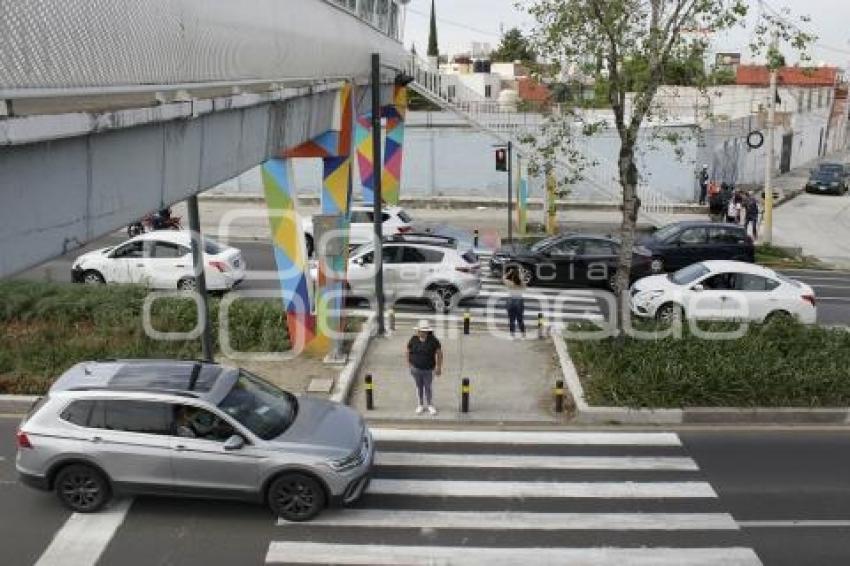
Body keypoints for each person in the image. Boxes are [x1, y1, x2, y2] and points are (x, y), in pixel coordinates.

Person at [406, 320, 442, 415]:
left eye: (423, 331)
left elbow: (439, 353)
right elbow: (408, 351)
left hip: (429, 369)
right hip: (416, 368)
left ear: (427, 332)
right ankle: (420, 405)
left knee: (428, 387)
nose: (421, 333)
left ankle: (430, 405)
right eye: (420, 331)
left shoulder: (433, 341)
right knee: (419, 387)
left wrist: (438, 367)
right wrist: (409, 365)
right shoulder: (413, 339)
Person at [503, 265, 526, 338]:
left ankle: (512, 334)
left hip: (511, 300)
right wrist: (521, 274)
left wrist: (509, 272)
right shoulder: (522, 284)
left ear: (512, 277)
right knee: (520, 318)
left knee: (511, 319)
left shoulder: (510, 283)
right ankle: (523, 333)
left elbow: (503, 278)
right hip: (519, 300)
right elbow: (523, 281)